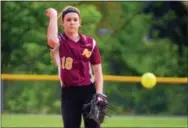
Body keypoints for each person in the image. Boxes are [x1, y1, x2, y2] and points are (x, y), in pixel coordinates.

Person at [45, 6, 104, 128]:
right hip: (69, 93)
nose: (72, 22)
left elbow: (97, 70)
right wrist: (54, 16)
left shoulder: (90, 42)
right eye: (68, 20)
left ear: (79, 23)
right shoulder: (60, 42)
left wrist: (99, 93)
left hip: (89, 91)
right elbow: (51, 39)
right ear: (63, 23)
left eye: (75, 19)